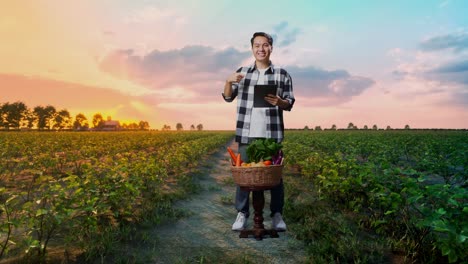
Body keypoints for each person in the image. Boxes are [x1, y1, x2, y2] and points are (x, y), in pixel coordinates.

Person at [222, 32, 295, 231]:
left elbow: (289, 103)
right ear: (252, 48)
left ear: (271, 47)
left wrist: (281, 102)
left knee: (275, 177)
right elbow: (228, 98)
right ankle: (242, 213)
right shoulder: (242, 72)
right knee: (244, 176)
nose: (261, 49)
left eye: (265, 45)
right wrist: (228, 81)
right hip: (247, 133)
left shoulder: (282, 74)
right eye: (257, 45)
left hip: (271, 135)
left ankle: (277, 214)